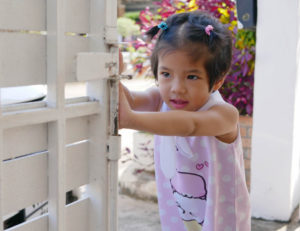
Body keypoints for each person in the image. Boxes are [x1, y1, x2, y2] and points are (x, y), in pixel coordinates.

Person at [119, 11, 251, 231]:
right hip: (181, 218)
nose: (176, 88)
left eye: (191, 76)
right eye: (166, 74)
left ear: (217, 80)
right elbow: (129, 99)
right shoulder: (159, 98)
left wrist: (131, 120)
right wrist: (114, 74)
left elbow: (191, 125)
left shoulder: (224, 115)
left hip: (223, 221)